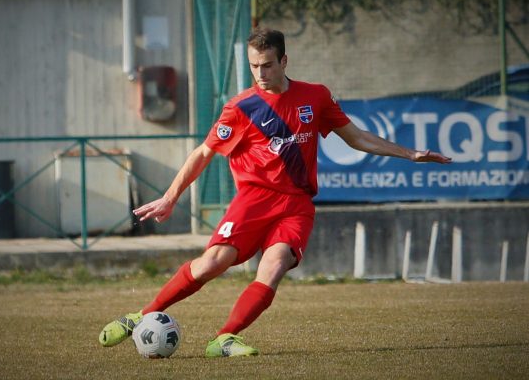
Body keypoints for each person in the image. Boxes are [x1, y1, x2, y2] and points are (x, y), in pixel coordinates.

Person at [99, 28, 451, 357]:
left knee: (276, 263)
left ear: (284, 61)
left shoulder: (315, 96)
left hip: (296, 204)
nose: (261, 73)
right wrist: (171, 196)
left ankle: (223, 338)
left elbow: (356, 137)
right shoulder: (241, 107)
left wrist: (410, 153)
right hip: (253, 200)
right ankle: (139, 316)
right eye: (254, 66)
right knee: (212, 263)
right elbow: (204, 152)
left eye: (267, 65)